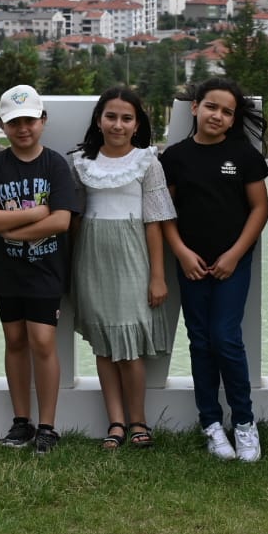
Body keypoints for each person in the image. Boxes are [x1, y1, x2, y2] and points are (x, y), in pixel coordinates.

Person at [160, 76, 268, 463]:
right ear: (194, 107)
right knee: (201, 341)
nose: (217, 115)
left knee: (226, 338)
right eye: (211, 107)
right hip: (190, 265)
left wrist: (235, 254)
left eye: (226, 111)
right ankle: (211, 423)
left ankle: (244, 422)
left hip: (231, 264)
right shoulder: (173, 157)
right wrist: (182, 253)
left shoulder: (244, 156)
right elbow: (164, 213)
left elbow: (260, 209)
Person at [0, 85, 81, 453]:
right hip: (6, 271)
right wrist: (35, 213)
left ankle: (48, 425)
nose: (23, 128)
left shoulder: (54, 164)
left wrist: (9, 228)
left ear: (43, 121)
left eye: (30, 120)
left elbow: (62, 221)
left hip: (46, 269)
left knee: (42, 341)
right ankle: (22, 421)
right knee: (15, 341)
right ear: (3, 125)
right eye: (14, 122)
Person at [71, 86, 178, 450]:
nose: (118, 124)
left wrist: (158, 275)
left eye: (126, 118)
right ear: (99, 121)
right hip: (92, 256)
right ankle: (115, 423)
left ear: (137, 124)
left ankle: (139, 421)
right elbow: (72, 220)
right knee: (104, 345)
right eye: (111, 116)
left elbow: (155, 222)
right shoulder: (80, 163)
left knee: (130, 347)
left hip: (133, 256)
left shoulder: (148, 162)